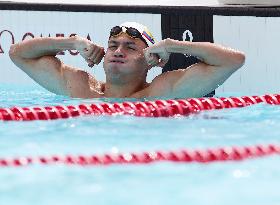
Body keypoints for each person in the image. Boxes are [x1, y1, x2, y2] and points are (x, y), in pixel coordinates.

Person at [9, 22, 245, 99]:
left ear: (150, 60)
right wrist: (71, 42)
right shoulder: (81, 87)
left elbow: (233, 60)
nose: (118, 51)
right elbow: (17, 53)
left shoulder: (161, 92)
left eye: (130, 47)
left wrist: (173, 45)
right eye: (112, 45)